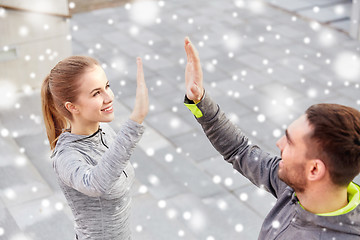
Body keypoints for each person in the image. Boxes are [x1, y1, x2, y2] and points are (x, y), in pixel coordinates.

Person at [183, 36, 360, 239]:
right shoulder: (296, 187)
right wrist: (199, 101)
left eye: (290, 142)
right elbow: (239, 151)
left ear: (314, 169)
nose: (279, 144)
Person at [41, 55, 148, 240]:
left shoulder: (105, 130)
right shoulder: (66, 157)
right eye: (96, 93)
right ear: (72, 107)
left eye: (107, 86)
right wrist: (135, 121)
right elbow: (96, 184)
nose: (109, 97)